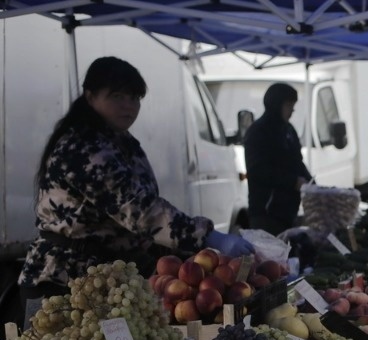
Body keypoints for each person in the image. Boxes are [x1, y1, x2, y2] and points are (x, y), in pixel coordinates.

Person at [19, 56, 253, 321]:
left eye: (135, 98)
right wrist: (207, 236)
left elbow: (143, 205)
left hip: (100, 278)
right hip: (60, 281)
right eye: (117, 96)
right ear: (91, 96)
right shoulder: (84, 147)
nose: (128, 106)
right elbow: (140, 210)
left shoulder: (121, 141)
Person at [243, 83, 312, 236]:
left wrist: (312, 184)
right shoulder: (258, 132)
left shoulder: (288, 130)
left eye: (293, 105)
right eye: (289, 105)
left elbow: (297, 162)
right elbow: (258, 170)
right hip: (265, 214)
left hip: (288, 212)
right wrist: (292, 181)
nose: (292, 110)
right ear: (276, 104)